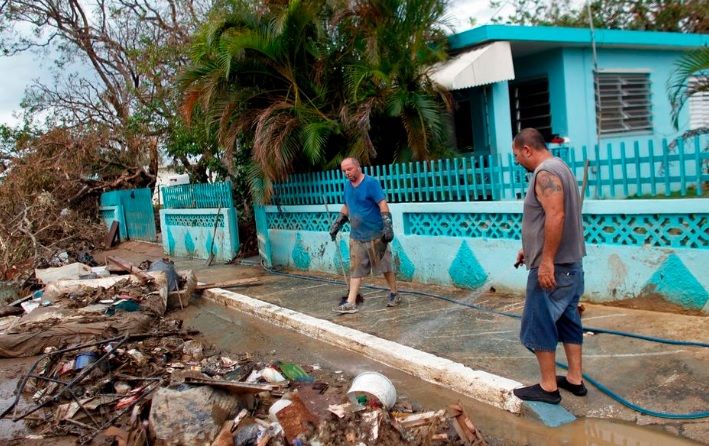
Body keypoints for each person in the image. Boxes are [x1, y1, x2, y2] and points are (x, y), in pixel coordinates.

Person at [512, 128, 587, 405]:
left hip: (554, 267)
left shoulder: (544, 173)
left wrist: (545, 261)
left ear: (527, 149)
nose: (517, 160)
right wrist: (530, 248)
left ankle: (548, 387)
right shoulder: (561, 167)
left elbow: (556, 215)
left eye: (517, 155)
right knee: (568, 321)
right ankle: (575, 379)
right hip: (571, 264)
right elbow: (548, 219)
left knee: (539, 323)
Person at [329, 157, 399, 314]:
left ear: (358, 167)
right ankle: (351, 302)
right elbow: (347, 206)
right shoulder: (347, 186)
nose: (347, 173)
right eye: (344, 171)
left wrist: (387, 225)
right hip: (356, 236)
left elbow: (382, 203)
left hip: (376, 234)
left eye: (349, 169)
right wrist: (337, 223)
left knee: (385, 267)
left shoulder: (371, 183)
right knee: (356, 269)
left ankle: (394, 293)